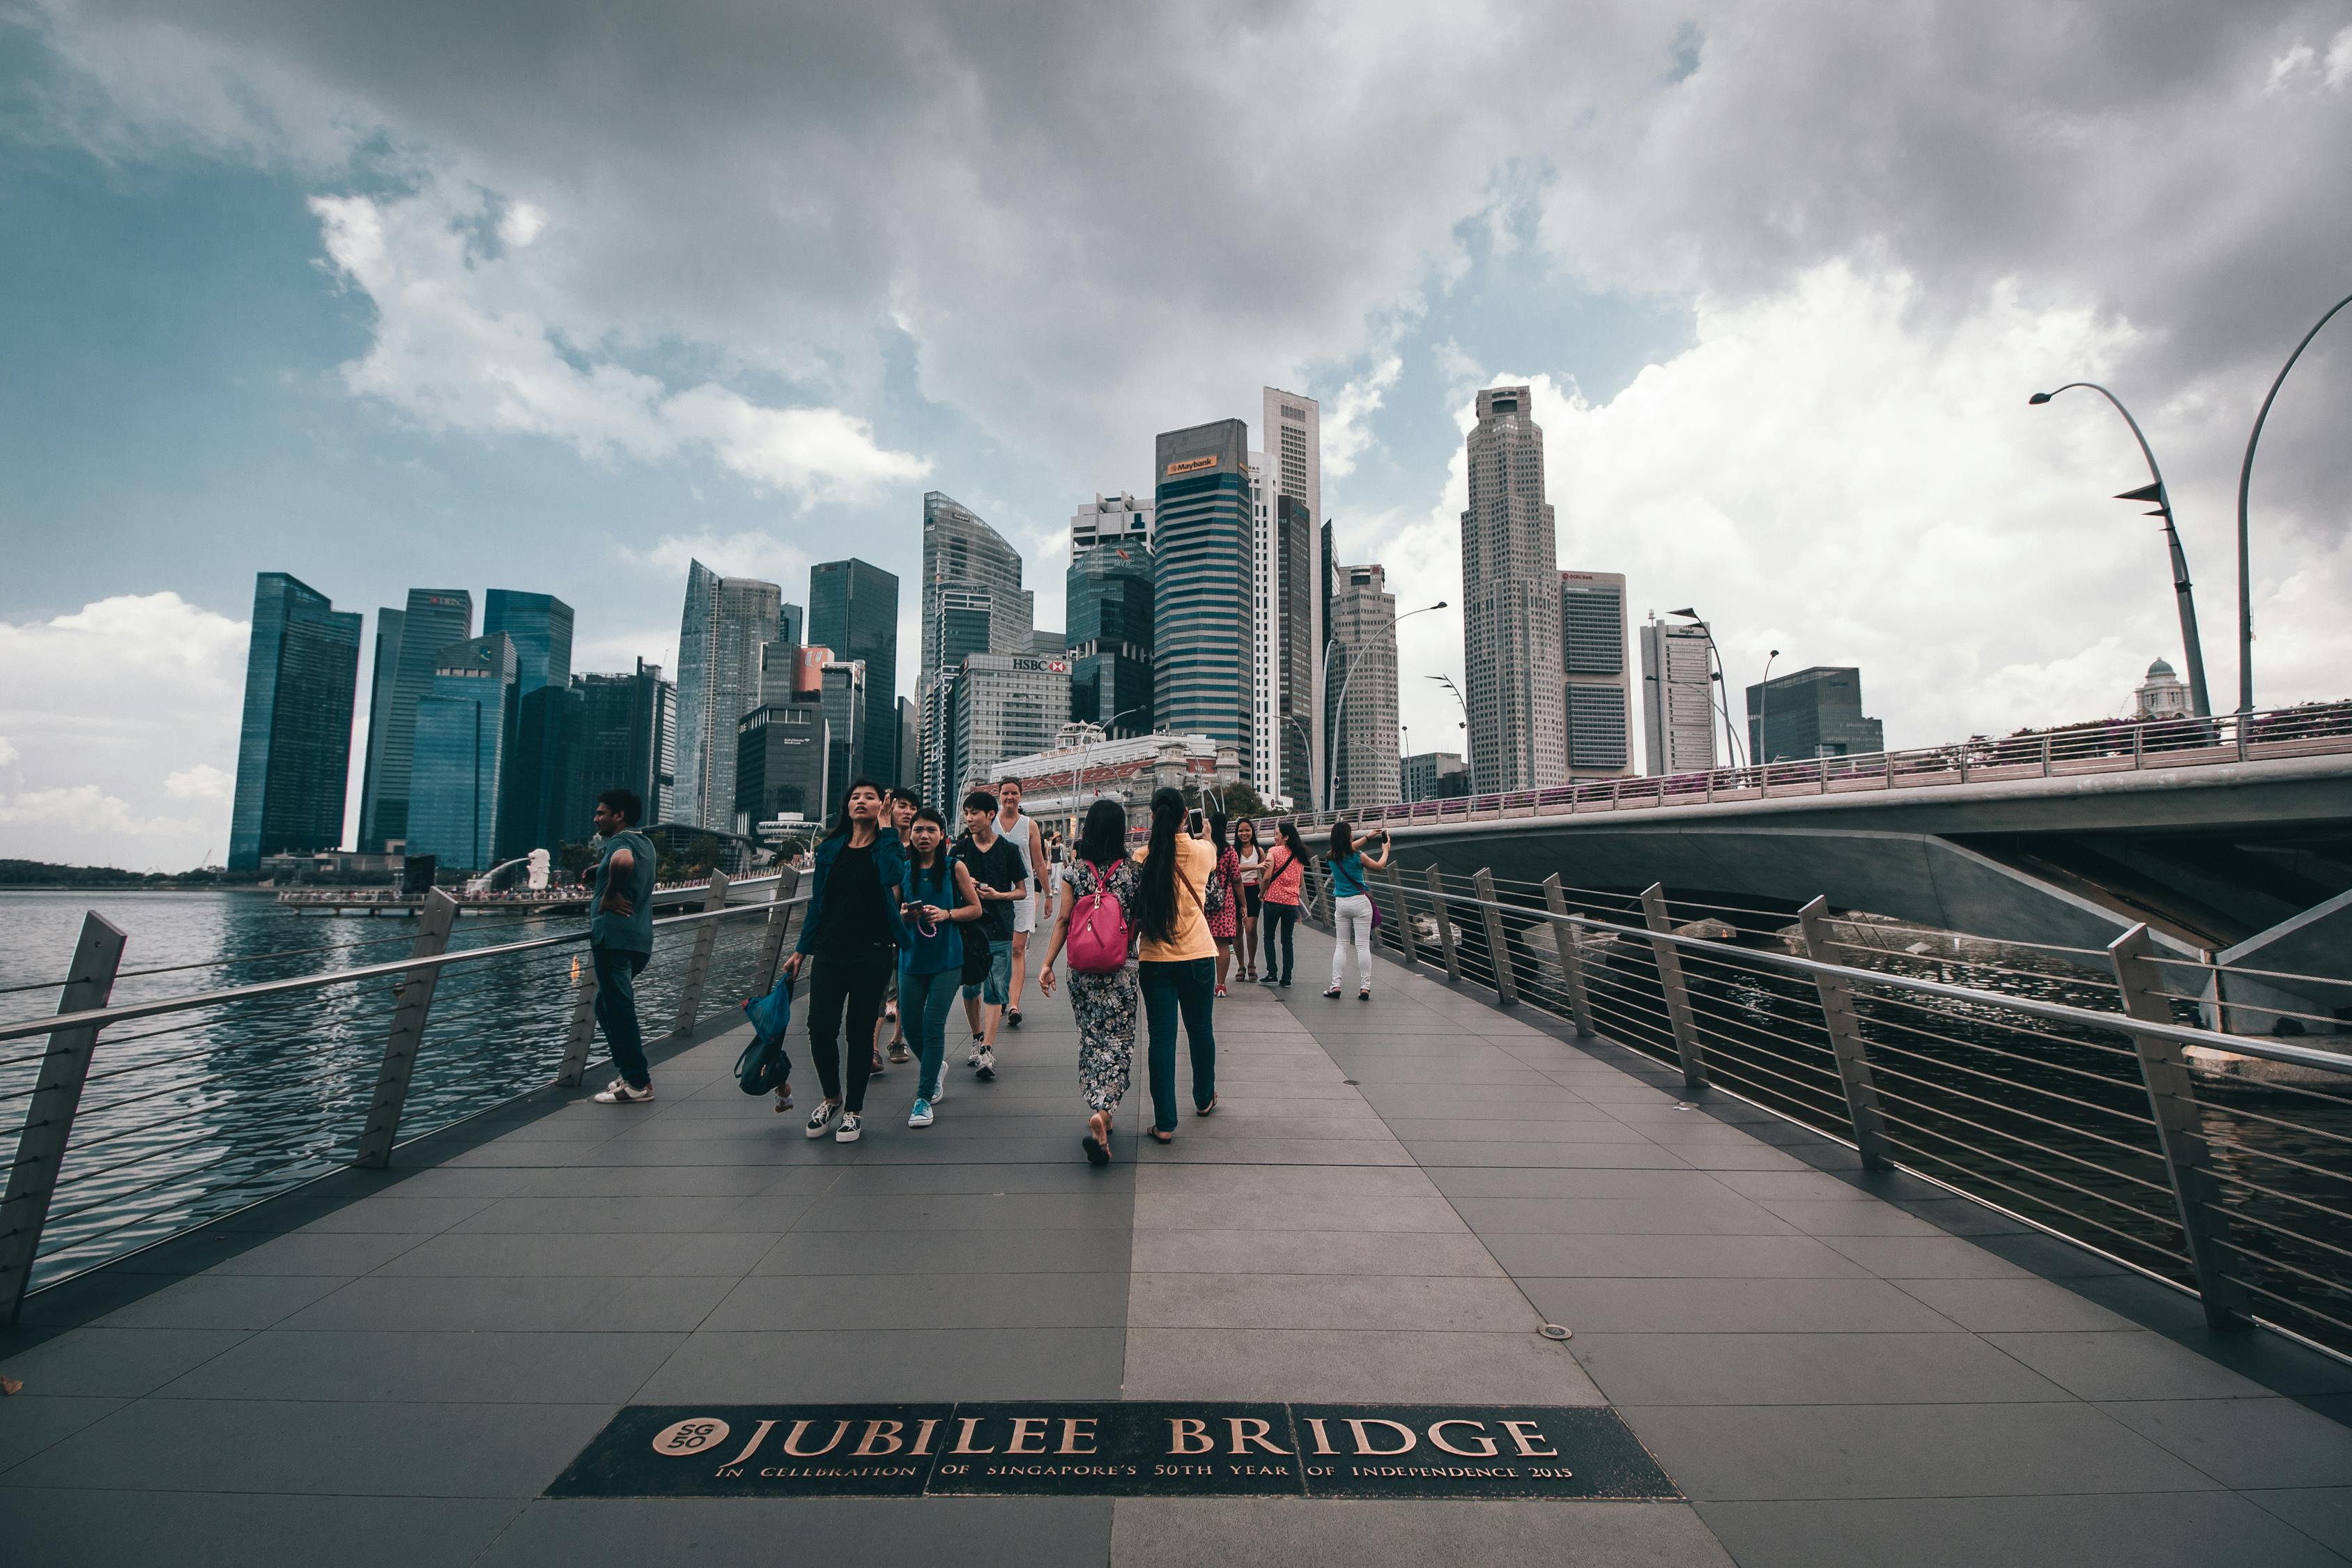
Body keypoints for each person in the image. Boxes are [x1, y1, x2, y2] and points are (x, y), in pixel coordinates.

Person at [783, 780, 907, 1144]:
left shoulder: (887, 846)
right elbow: (817, 904)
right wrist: (801, 949)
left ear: (880, 805)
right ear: (846, 805)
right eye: (855, 797)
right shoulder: (830, 848)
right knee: (820, 1027)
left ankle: (853, 1109)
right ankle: (831, 1097)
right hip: (830, 951)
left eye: (870, 797)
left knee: (857, 1033)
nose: (862, 802)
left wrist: (886, 831)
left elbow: (892, 876)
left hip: (874, 951)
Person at [1038, 799, 1140, 1165]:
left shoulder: (1074, 871)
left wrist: (1047, 963)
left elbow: (1064, 921)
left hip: (1081, 969)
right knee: (1119, 1040)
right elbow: (1138, 922)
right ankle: (1105, 1109)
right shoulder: (1132, 872)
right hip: (1121, 970)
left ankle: (1097, 1104)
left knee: (1091, 1037)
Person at [1132, 787, 1218, 1142]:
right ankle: (1203, 1098)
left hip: (1156, 960)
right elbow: (1210, 853)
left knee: (1162, 1040)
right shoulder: (1203, 852)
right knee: (1200, 1031)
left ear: (1153, 816)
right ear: (1186, 816)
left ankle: (1165, 1123)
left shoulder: (1141, 856)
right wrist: (1207, 836)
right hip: (1199, 954)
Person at [898, 806, 982, 1128]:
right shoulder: (904, 870)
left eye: (931, 830)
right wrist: (905, 916)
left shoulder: (953, 867)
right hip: (911, 958)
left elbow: (974, 909)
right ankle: (935, 1068)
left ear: (942, 836)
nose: (924, 836)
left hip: (947, 958)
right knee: (911, 1029)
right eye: (918, 830)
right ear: (911, 834)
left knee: (933, 1025)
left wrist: (947, 914)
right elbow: (890, 913)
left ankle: (923, 1098)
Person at [588, 788, 661, 1105]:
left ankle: (637, 1082)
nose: (596, 818)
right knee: (605, 1006)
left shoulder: (620, 843)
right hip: (639, 940)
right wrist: (599, 872)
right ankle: (627, 1072)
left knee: (618, 1009)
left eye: (602, 812)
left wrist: (610, 892)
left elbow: (623, 861)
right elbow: (624, 863)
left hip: (614, 938)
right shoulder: (646, 842)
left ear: (619, 816)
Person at [954, 790, 1026, 1079]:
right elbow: (947, 884)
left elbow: (1021, 890)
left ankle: (988, 1048)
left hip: (998, 926)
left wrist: (998, 895)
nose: (969, 819)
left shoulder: (1008, 850)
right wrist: (964, 882)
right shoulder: (958, 850)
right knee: (971, 987)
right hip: (969, 929)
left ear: (990, 816)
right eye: (967, 813)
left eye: (975, 813)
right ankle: (976, 1036)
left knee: (996, 989)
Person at [994, 778, 1047, 1031]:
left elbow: (1038, 862)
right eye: (1006, 793)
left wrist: (1047, 895)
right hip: (994, 893)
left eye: (1014, 793)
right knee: (999, 949)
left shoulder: (1030, 826)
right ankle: (1001, 994)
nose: (1010, 798)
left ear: (1021, 796)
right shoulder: (990, 823)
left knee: (1017, 949)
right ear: (999, 796)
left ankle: (1014, 1005)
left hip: (1023, 892)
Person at [1323, 820, 1392, 1000]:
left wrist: (1368, 837)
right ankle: (1365, 988)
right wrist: (1386, 850)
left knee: (1341, 945)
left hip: (1342, 904)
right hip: (1360, 903)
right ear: (1348, 837)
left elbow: (1346, 848)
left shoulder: (1331, 856)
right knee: (1362, 946)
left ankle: (1336, 985)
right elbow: (1379, 867)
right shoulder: (1358, 856)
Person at [879, 787, 923, 1068]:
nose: (907, 812)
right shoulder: (880, 841)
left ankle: (897, 1040)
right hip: (882, 921)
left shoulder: (921, 844)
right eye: (902, 806)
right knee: (880, 985)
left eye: (912, 807)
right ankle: (871, 1049)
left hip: (911, 924)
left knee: (907, 983)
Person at [1258, 820, 1307, 987]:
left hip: (1273, 900)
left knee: (1268, 937)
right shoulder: (1299, 855)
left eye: (1277, 834)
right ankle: (1287, 978)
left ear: (1285, 837)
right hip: (1291, 903)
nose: (1274, 838)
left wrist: (1261, 893)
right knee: (1287, 940)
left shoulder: (1273, 851)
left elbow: (1266, 876)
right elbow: (1300, 883)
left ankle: (1272, 973)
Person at [1205, 811, 1241, 997]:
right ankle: (1220, 985)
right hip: (1224, 902)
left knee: (1205, 945)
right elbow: (1236, 878)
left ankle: (1206, 983)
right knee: (1222, 945)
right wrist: (1243, 904)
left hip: (1203, 901)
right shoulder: (1229, 852)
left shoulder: (1204, 848)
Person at [1234, 819, 1263, 983]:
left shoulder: (1258, 851)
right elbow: (1234, 869)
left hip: (1253, 891)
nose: (1244, 834)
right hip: (1237, 892)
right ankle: (1241, 965)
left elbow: (1266, 868)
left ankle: (1252, 964)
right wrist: (1256, 867)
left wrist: (1264, 891)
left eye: (1247, 830)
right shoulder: (1233, 851)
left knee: (1251, 929)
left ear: (1252, 832)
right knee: (1237, 930)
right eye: (1240, 831)